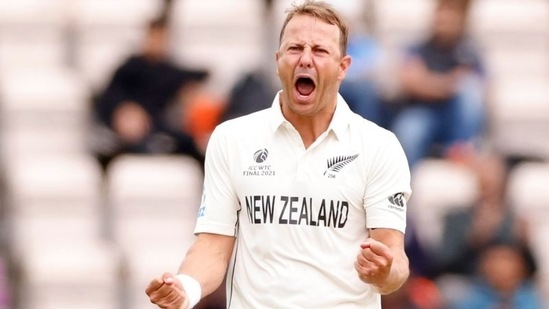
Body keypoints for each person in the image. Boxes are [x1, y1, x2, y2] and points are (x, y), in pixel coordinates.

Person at [145, 1, 411, 308]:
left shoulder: (378, 145)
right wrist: (186, 289)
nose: (306, 60)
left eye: (320, 51)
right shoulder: (232, 139)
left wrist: (383, 271)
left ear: (342, 68)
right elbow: (213, 246)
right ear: (277, 60)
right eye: (295, 48)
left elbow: (393, 254)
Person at [91, 16, 209, 171]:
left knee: (196, 146)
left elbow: (200, 74)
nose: (158, 42)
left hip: (159, 126)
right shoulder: (130, 67)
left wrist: (190, 90)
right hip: (132, 130)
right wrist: (123, 110)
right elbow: (108, 97)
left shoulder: (170, 71)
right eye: (154, 37)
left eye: (162, 38)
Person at [389, 0, 487, 168]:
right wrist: (449, 83)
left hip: (454, 116)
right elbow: (411, 82)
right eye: (441, 15)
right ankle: (404, 188)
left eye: (451, 17)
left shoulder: (470, 51)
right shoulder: (418, 48)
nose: (444, 22)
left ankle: (460, 150)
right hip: (423, 112)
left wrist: (430, 81)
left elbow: (479, 90)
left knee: (469, 90)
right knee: (409, 129)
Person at [452, 243, 542, 309]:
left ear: (520, 265)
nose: (499, 266)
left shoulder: (532, 298)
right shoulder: (469, 298)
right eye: (493, 259)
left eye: (506, 259)